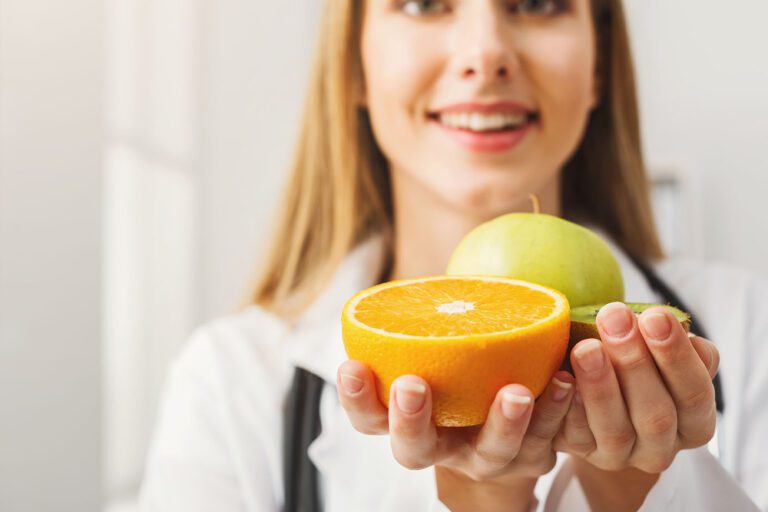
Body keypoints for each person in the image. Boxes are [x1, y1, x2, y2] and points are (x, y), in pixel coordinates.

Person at [140, 0, 768, 510]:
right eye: (422, 4)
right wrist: (479, 505)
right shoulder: (229, 381)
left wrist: (635, 487)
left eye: (538, 3)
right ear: (354, 64)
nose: (486, 54)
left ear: (600, 62)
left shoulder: (748, 326)